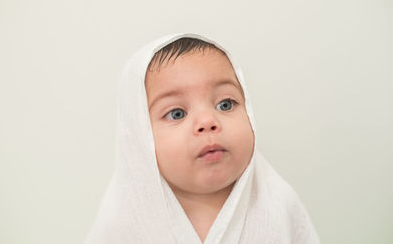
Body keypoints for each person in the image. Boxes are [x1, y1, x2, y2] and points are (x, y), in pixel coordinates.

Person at [85, 33, 320, 244]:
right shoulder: (122, 221)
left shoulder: (277, 206)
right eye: (177, 113)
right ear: (138, 139)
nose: (207, 121)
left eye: (225, 104)